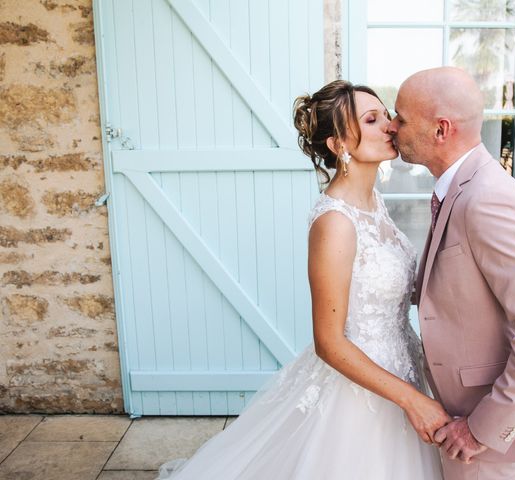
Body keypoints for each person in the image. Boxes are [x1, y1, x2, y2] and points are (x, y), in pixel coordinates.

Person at [156, 80, 446, 479]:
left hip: (401, 367)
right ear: (339, 144)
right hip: (360, 392)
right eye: (373, 119)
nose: (391, 127)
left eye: (387, 116)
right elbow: (329, 342)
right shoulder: (335, 222)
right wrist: (412, 400)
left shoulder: (373, 202)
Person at [387, 67, 515, 480]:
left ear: (441, 129)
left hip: (476, 430)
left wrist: (481, 430)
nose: (391, 125)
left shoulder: (486, 198)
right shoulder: (458, 186)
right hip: (449, 410)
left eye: (400, 117)